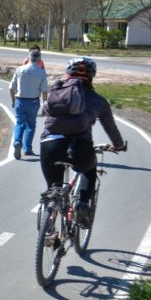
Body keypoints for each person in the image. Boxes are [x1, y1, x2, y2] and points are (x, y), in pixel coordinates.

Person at [39, 56, 127, 226]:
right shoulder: (98, 100)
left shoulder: (56, 92)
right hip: (80, 146)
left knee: (54, 189)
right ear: (92, 75)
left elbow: (45, 113)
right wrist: (119, 145)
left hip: (49, 144)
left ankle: (48, 228)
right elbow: (111, 128)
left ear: (68, 73)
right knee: (89, 170)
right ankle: (83, 204)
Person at [9, 47, 49, 159]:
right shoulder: (41, 72)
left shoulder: (19, 69)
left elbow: (11, 87)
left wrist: (13, 100)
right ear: (39, 59)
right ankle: (27, 149)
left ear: (28, 58)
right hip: (33, 101)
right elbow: (44, 90)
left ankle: (17, 141)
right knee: (31, 125)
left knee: (19, 123)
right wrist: (44, 104)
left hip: (20, 100)